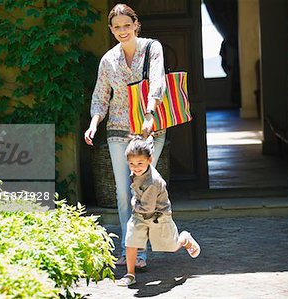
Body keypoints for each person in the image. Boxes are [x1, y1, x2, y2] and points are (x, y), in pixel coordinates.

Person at [84, 3, 167, 268]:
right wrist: (94, 123)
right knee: (123, 193)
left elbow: (158, 81)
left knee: (144, 190)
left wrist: (150, 112)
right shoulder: (108, 60)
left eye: (126, 25)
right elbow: (100, 96)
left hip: (148, 130)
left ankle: (148, 244)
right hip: (118, 131)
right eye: (117, 27)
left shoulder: (152, 48)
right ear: (111, 29)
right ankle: (133, 251)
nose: (122, 31)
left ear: (136, 24)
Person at [116, 136, 201, 286]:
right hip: (140, 215)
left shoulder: (153, 181)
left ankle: (185, 239)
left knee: (172, 246)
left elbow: (147, 207)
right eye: (131, 164)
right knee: (131, 240)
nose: (136, 167)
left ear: (149, 160)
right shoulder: (136, 173)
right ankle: (130, 274)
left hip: (159, 216)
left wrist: (133, 202)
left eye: (140, 163)